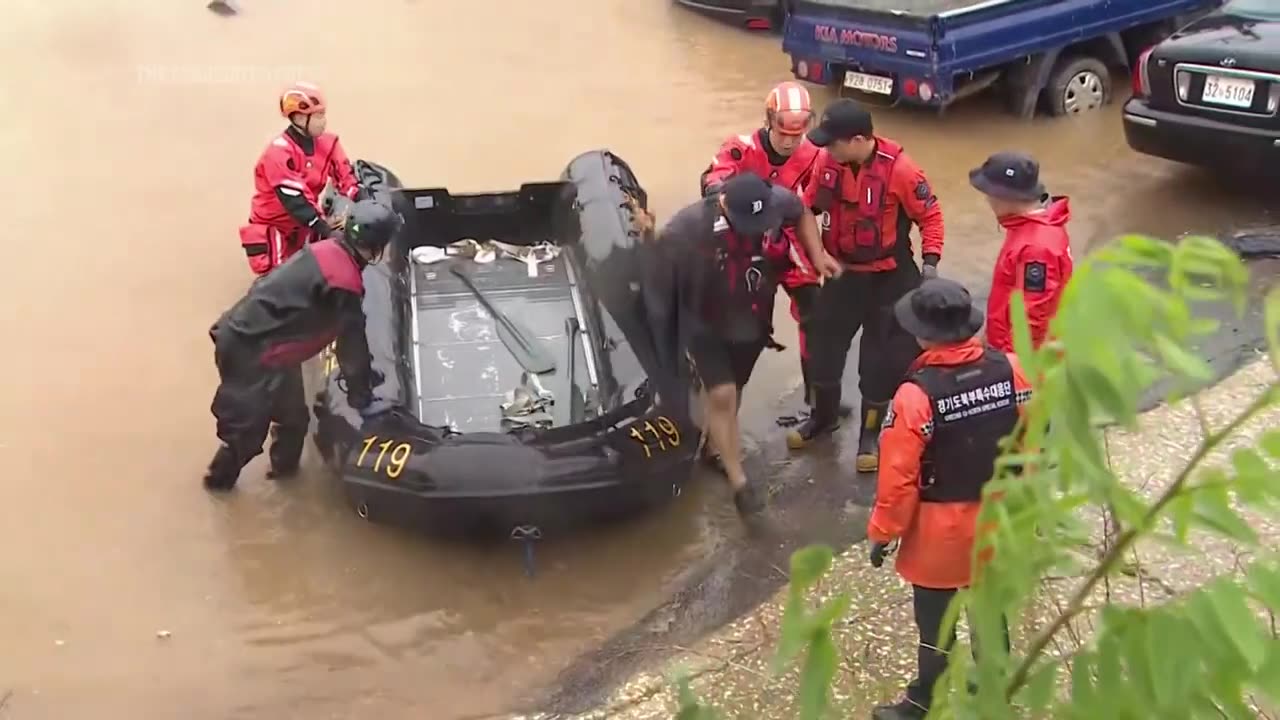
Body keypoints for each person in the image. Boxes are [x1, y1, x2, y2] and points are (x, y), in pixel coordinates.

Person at [866, 278, 1033, 720]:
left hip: (941, 533)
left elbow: (898, 478)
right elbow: (1033, 439)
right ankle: (995, 692)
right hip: (1001, 517)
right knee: (990, 612)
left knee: (936, 624)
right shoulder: (1013, 369)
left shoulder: (914, 396)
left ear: (923, 334)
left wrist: (883, 533)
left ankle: (926, 700)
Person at [642, 174, 841, 517]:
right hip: (703, 320)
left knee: (734, 391)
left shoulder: (776, 200)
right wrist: (647, 235)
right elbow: (656, 270)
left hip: (751, 318)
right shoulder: (689, 226)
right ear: (724, 205)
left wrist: (818, 254)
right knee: (722, 394)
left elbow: (802, 212)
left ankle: (712, 446)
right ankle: (740, 484)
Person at [787, 99, 945, 475]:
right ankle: (823, 418)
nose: (826, 149)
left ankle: (869, 436)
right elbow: (805, 208)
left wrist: (931, 263)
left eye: (833, 143)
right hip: (844, 273)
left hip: (891, 277)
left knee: (880, 362)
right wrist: (817, 253)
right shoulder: (829, 163)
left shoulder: (902, 171)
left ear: (858, 140)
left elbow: (931, 216)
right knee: (823, 347)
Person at [204, 200, 403, 491]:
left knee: (295, 420)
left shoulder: (326, 250)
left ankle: (285, 483)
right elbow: (352, 345)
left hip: (264, 344)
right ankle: (216, 488)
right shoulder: (343, 282)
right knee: (244, 436)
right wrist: (362, 398)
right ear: (378, 246)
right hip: (250, 351)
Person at [699, 81, 851, 428]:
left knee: (816, 319)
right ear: (769, 121)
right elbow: (712, 183)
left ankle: (819, 397)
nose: (789, 142)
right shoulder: (741, 148)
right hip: (748, 247)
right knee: (747, 332)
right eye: (784, 134)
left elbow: (811, 207)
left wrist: (820, 253)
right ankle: (724, 416)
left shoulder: (815, 154)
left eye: (797, 136)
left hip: (791, 239)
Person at [239, 81, 363, 276]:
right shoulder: (278, 154)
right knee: (280, 279)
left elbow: (345, 175)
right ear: (298, 117)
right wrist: (325, 229)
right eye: (319, 116)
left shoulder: (328, 143)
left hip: (303, 224)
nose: (323, 121)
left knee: (317, 268)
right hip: (276, 226)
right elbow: (296, 201)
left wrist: (362, 199)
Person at [969, 152, 1073, 353]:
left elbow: (1033, 320)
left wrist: (1010, 366)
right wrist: (988, 338)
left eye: (989, 194)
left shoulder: (1036, 248)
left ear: (1004, 197)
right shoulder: (1030, 228)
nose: (987, 201)